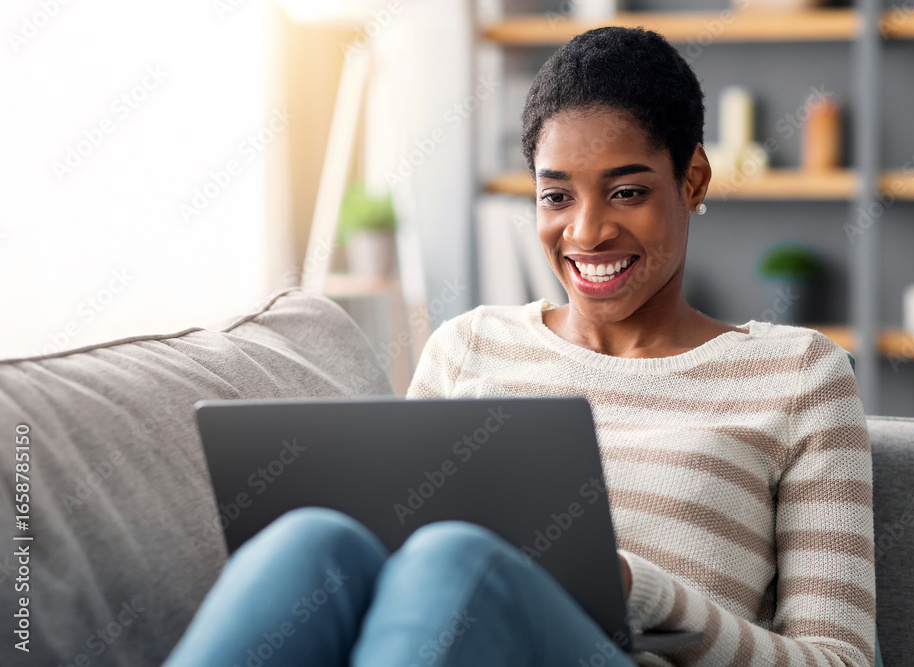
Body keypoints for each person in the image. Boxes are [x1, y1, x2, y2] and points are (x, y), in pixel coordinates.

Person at [167, 26, 874, 667]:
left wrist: (643, 590)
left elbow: (840, 660)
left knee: (456, 558)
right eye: (556, 196)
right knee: (309, 541)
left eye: (626, 192)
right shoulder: (468, 346)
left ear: (692, 179)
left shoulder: (798, 375)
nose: (587, 232)